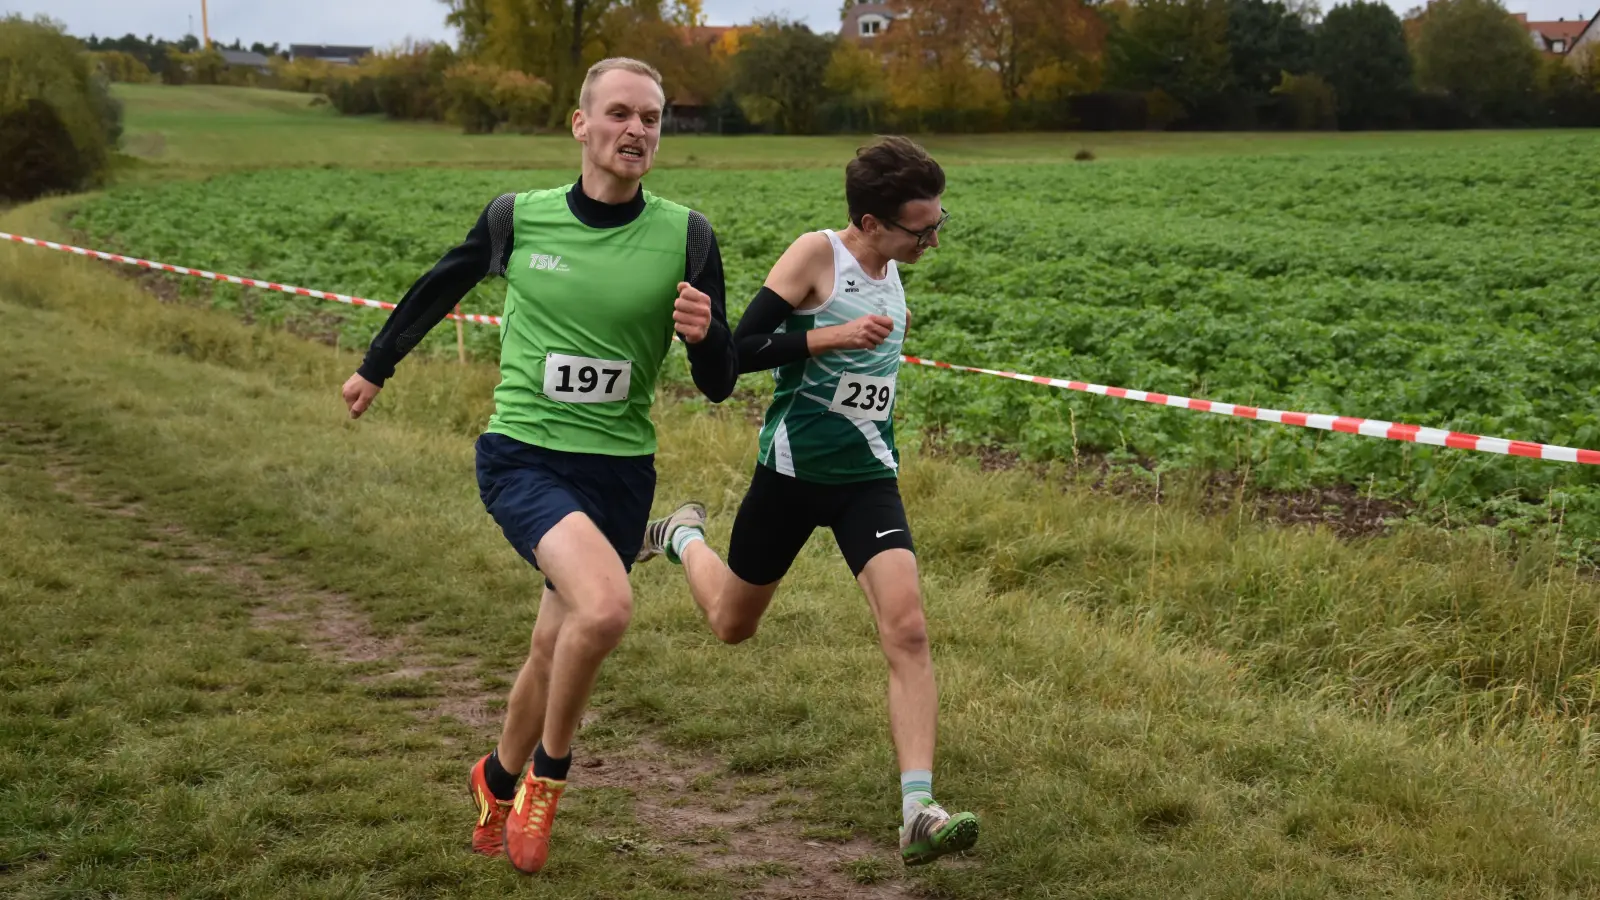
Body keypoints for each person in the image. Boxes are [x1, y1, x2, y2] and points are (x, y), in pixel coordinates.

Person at [339, 57, 738, 876]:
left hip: (621, 471)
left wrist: (706, 334)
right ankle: (549, 778)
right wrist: (375, 366)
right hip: (523, 456)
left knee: (554, 645)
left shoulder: (688, 235)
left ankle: (495, 776)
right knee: (606, 608)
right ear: (580, 125)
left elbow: (718, 383)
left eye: (653, 118)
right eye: (621, 113)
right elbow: (436, 288)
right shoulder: (517, 218)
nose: (637, 130)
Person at [636, 136, 978, 867]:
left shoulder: (889, 266)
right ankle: (680, 538)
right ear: (869, 220)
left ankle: (918, 808)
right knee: (732, 624)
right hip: (790, 476)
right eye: (922, 229)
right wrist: (832, 336)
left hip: (867, 477)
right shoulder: (817, 255)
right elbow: (740, 349)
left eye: (938, 222)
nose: (933, 239)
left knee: (909, 629)